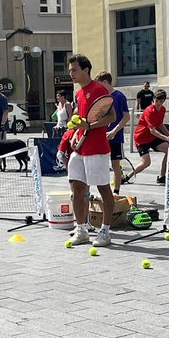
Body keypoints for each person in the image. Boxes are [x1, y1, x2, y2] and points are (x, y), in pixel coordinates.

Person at [66, 55, 116, 248]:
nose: (71, 73)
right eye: (70, 70)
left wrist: (90, 126)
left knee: (103, 189)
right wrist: (76, 133)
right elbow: (81, 118)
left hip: (97, 149)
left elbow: (111, 116)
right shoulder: (78, 93)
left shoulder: (99, 89)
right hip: (81, 148)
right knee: (76, 188)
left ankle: (105, 231)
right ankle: (81, 230)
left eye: (74, 70)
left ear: (86, 70)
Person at [97, 72, 131, 194]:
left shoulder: (119, 96)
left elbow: (126, 116)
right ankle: (104, 191)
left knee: (116, 165)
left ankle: (116, 191)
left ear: (105, 82)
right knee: (101, 165)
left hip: (116, 138)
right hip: (102, 137)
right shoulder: (102, 98)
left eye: (100, 84)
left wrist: (114, 131)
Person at [133, 88, 169, 183]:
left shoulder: (162, 109)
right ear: (153, 99)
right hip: (141, 138)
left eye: (160, 101)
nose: (158, 103)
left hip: (152, 138)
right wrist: (166, 138)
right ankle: (128, 177)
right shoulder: (149, 111)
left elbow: (160, 124)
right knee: (146, 163)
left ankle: (162, 177)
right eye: (156, 100)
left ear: (164, 101)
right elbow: (152, 130)